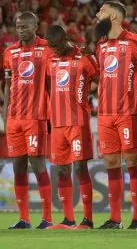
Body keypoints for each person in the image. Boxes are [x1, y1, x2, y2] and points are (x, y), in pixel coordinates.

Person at [93, 1, 137, 230]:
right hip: (105, 113)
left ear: (114, 17)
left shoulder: (135, 41)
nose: (98, 14)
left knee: (132, 160)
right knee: (111, 163)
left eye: (102, 11)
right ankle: (115, 218)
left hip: (127, 111)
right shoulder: (101, 44)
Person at [2, 12, 55, 229]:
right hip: (14, 118)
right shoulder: (9, 52)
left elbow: (52, 83)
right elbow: (7, 85)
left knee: (38, 164)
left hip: (36, 117)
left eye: (25, 26)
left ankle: (47, 218)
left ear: (35, 27)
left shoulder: (47, 49)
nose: (21, 30)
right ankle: (24, 218)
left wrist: (53, 112)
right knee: (18, 167)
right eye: (18, 26)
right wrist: (5, 113)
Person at [45, 25, 98, 230]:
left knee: (80, 167)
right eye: (51, 47)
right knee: (61, 170)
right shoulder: (51, 60)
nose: (55, 50)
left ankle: (88, 219)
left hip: (78, 122)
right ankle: (68, 219)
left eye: (57, 46)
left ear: (66, 39)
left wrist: (84, 91)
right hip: (57, 123)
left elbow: (101, 80)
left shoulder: (84, 57)